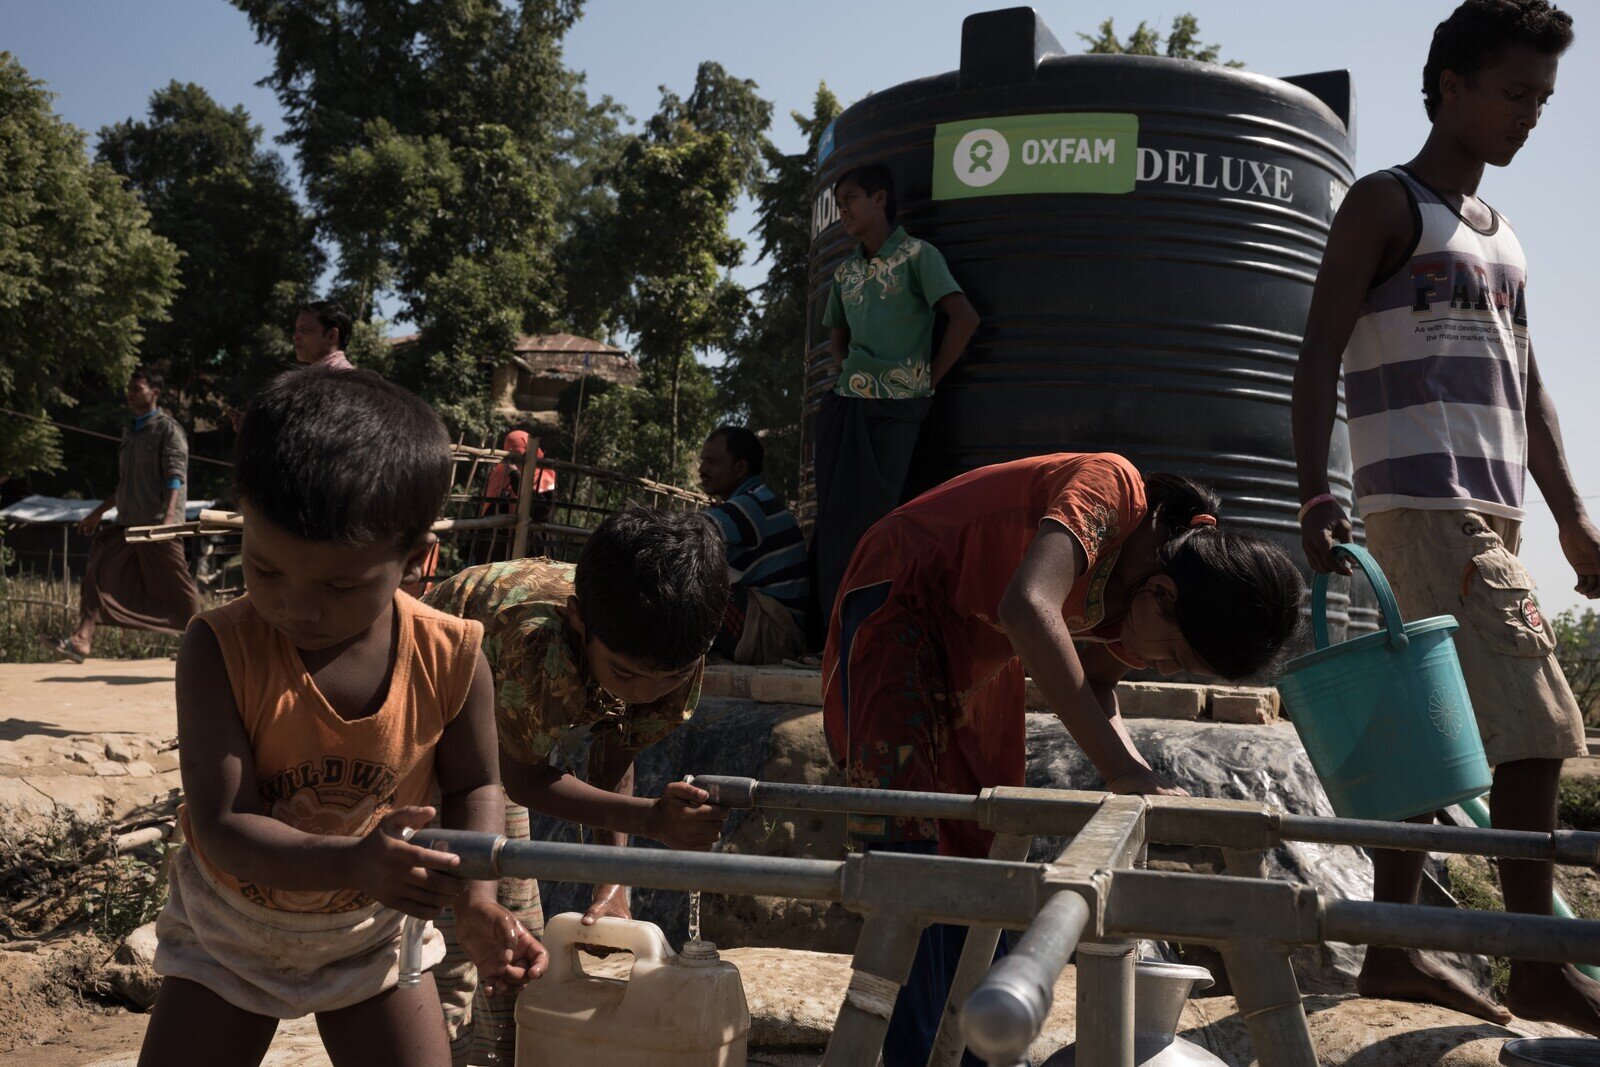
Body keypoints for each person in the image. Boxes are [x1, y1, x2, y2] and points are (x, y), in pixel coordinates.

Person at [1294, 0, 1600, 1033]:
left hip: (1493, 513)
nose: (1529, 117)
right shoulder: (1385, 203)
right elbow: (1317, 351)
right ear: (1450, 87)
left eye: (1543, 101)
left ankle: (1388, 949)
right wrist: (1313, 490)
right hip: (1421, 507)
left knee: (1431, 734)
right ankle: (1538, 962)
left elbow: (1530, 381)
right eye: (1514, 93)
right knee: (1540, 725)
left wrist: (1568, 518)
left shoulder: (1501, 234)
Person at [823, 453, 1303, 1066]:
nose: (1158, 670)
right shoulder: (1111, 489)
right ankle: (911, 1051)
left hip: (979, 641)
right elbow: (1026, 607)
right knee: (912, 842)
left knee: (979, 842)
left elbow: (1099, 685)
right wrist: (1123, 771)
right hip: (907, 595)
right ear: (1163, 594)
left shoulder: (1144, 598)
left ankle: (976, 1054)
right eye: (1174, 656)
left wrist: (1141, 779)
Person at [136, 367, 546, 1067]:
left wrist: (476, 898)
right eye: (266, 570)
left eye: (337, 583)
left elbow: (477, 785)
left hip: (371, 933)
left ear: (415, 560)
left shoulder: (451, 658)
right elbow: (223, 826)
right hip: (231, 932)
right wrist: (358, 859)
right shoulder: (219, 649)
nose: (296, 605)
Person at [423, 508, 729, 1062]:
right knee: (448, 942)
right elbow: (522, 780)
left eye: (668, 678)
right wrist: (650, 821)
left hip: (500, 747)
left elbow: (615, 750)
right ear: (579, 621)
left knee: (520, 946)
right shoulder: (534, 643)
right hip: (424, 725)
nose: (647, 692)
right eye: (628, 674)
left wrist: (612, 886)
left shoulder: (673, 646)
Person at [811, 163, 981, 641]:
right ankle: (832, 637)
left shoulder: (916, 256)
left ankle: (867, 633)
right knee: (835, 522)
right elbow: (836, 341)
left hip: (897, 407)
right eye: (838, 201)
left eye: (851, 198)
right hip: (845, 406)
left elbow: (964, 319)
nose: (842, 209)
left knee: (876, 522)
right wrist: (849, 376)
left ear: (880, 199)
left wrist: (926, 380)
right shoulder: (845, 271)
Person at [45, 368, 200, 662]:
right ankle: (82, 639)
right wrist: (96, 514)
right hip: (128, 521)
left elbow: (175, 477)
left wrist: (168, 520)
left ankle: (204, 645)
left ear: (155, 392)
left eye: (137, 388)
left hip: (158, 523)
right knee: (98, 568)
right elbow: (124, 485)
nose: (130, 393)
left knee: (176, 585)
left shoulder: (167, 429)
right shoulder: (131, 433)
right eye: (129, 388)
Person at [699, 425, 808, 664]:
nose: (702, 469)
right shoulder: (753, 500)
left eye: (712, 461)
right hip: (769, 628)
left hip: (773, 634)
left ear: (740, 468)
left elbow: (686, 532)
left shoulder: (752, 505)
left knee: (688, 575)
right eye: (702, 460)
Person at [294, 299, 355, 370]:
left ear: (331, 336)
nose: (295, 337)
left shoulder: (335, 378)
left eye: (304, 330)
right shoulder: (346, 375)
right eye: (297, 330)